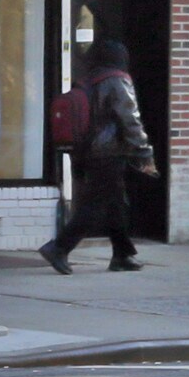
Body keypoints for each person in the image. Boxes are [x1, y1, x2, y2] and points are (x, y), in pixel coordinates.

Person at [41, 38, 157, 273]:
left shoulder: (89, 79)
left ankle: (122, 255)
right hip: (109, 152)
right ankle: (59, 248)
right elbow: (130, 119)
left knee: (116, 204)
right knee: (94, 205)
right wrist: (145, 153)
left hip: (86, 151)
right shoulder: (117, 80)